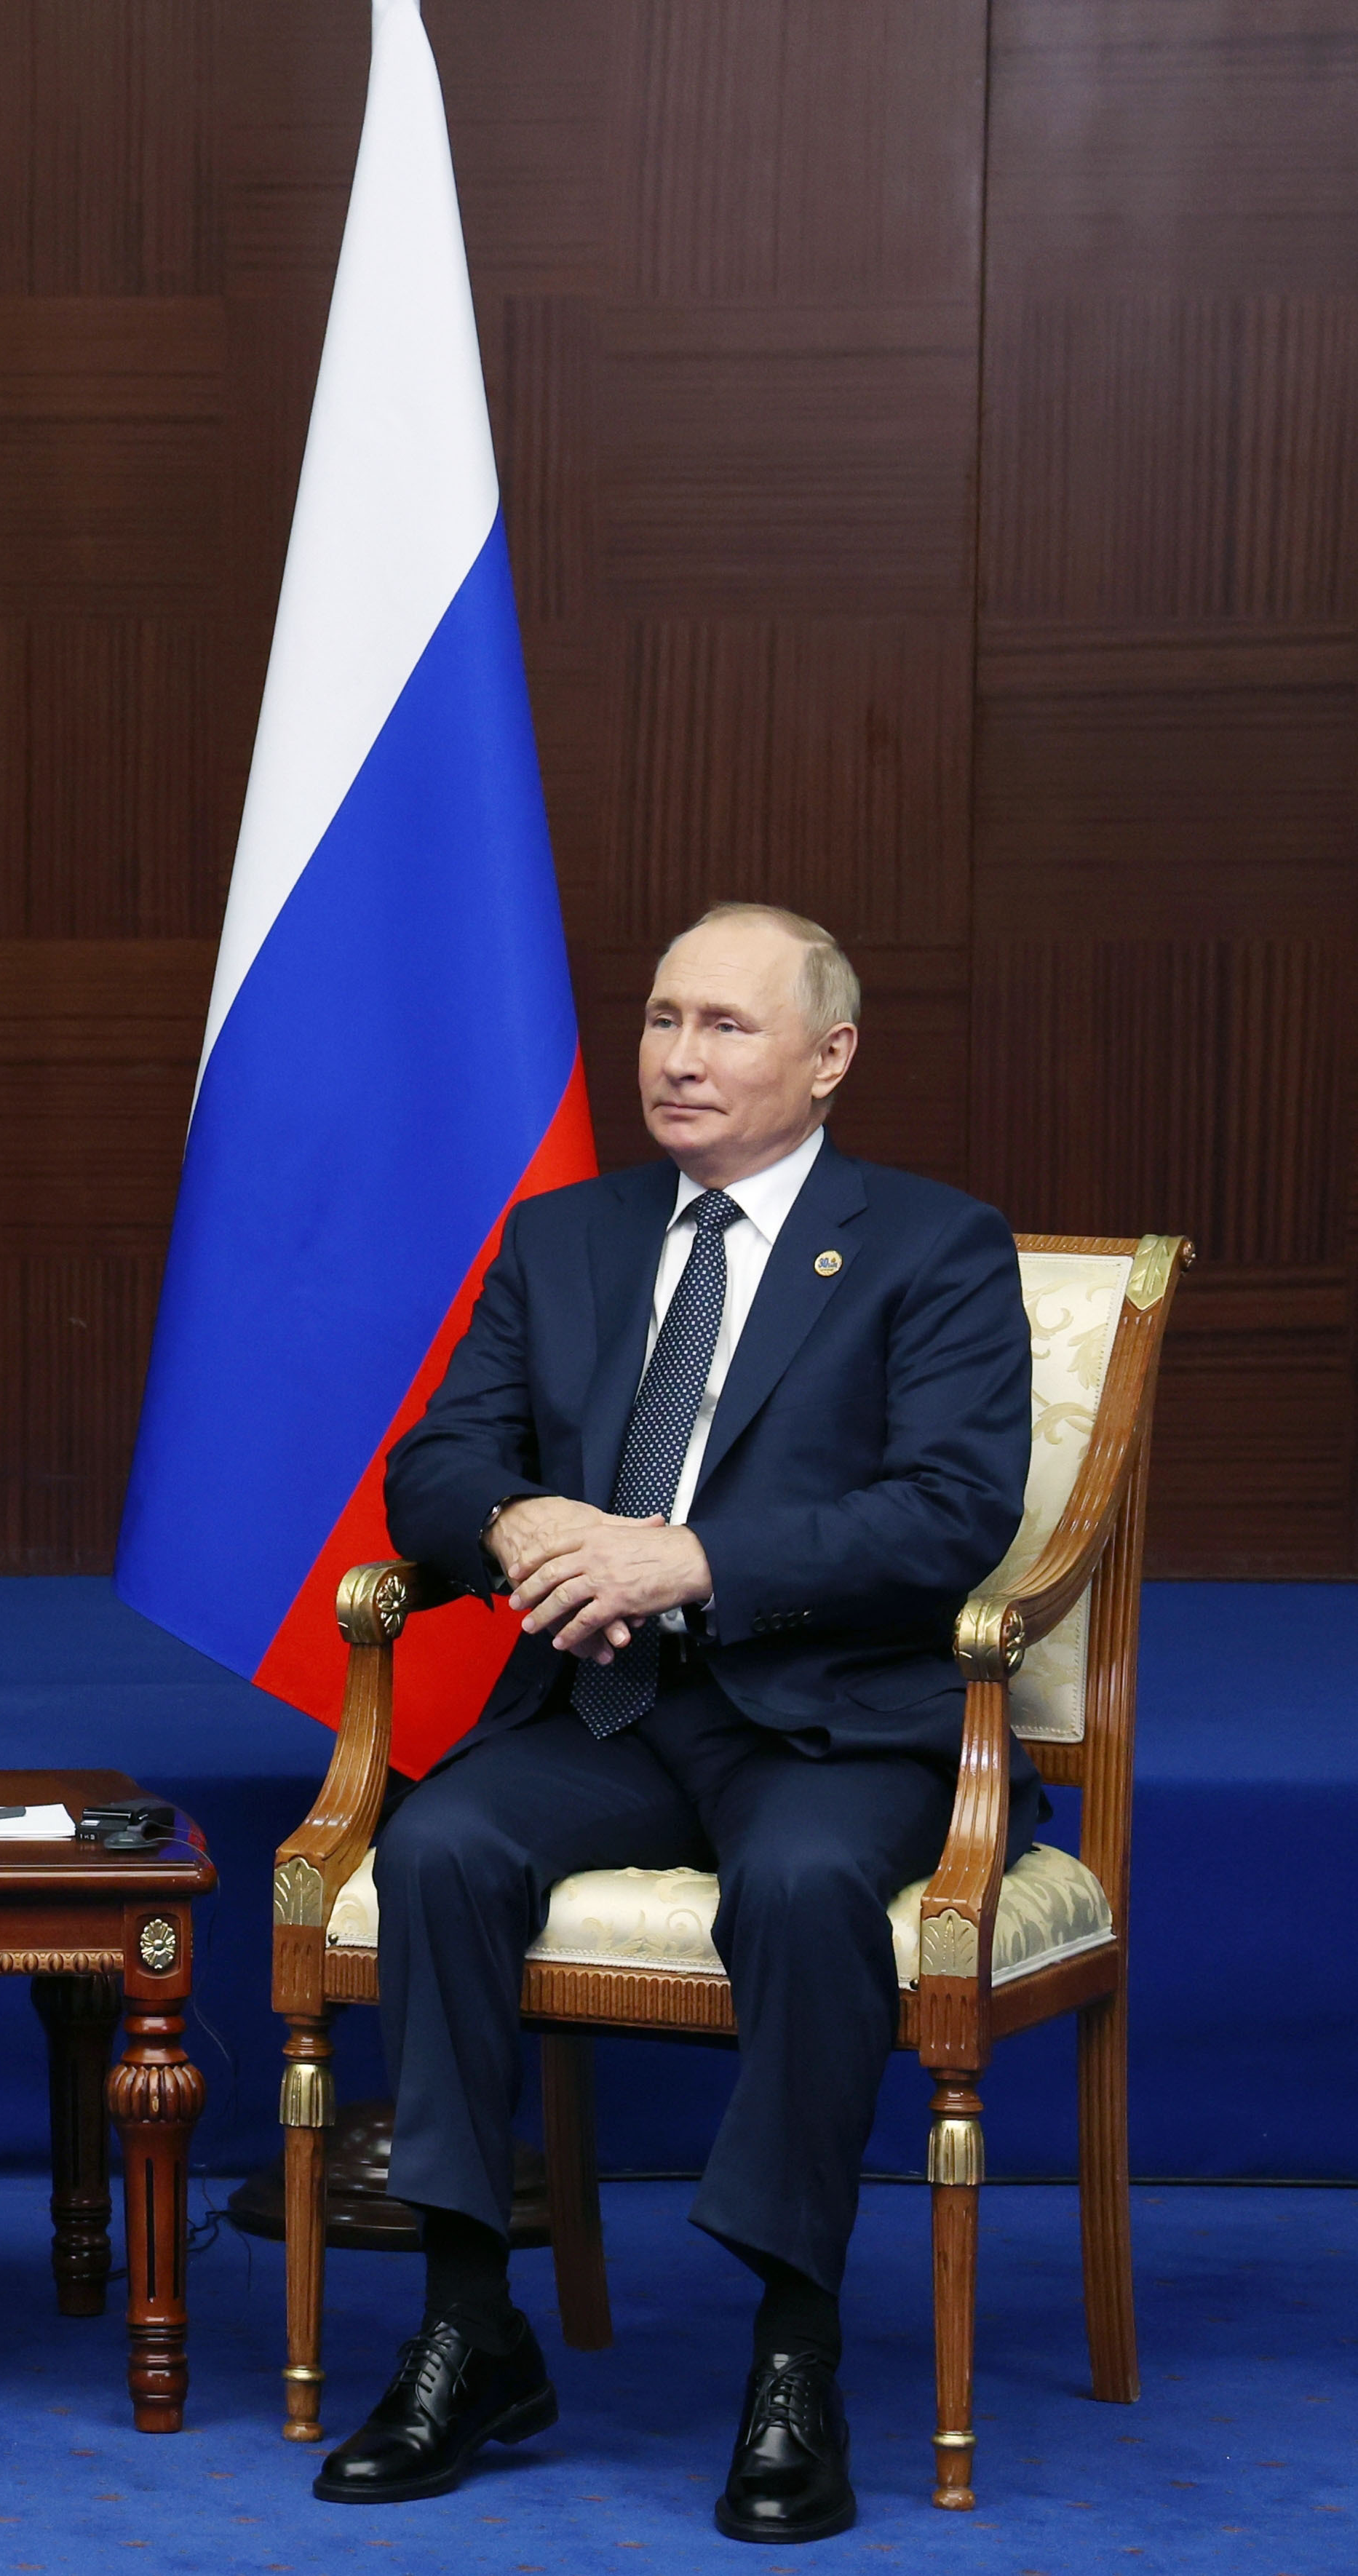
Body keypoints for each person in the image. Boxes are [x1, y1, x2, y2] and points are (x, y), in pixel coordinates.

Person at [314, 903, 1032, 2543]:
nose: (680, 1057)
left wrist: (693, 1555)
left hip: (829, 1721)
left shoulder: (933, 1244)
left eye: (725, 1026)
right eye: (661, 1021)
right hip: (608, 1702)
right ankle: (466, 2326)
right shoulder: (567, 1236)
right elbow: (433, 1465)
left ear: (829, 1059)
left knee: (798, 1892)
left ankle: (794, 2357)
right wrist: (512, 1530)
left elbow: (950, 1515)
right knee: (440, 1845)